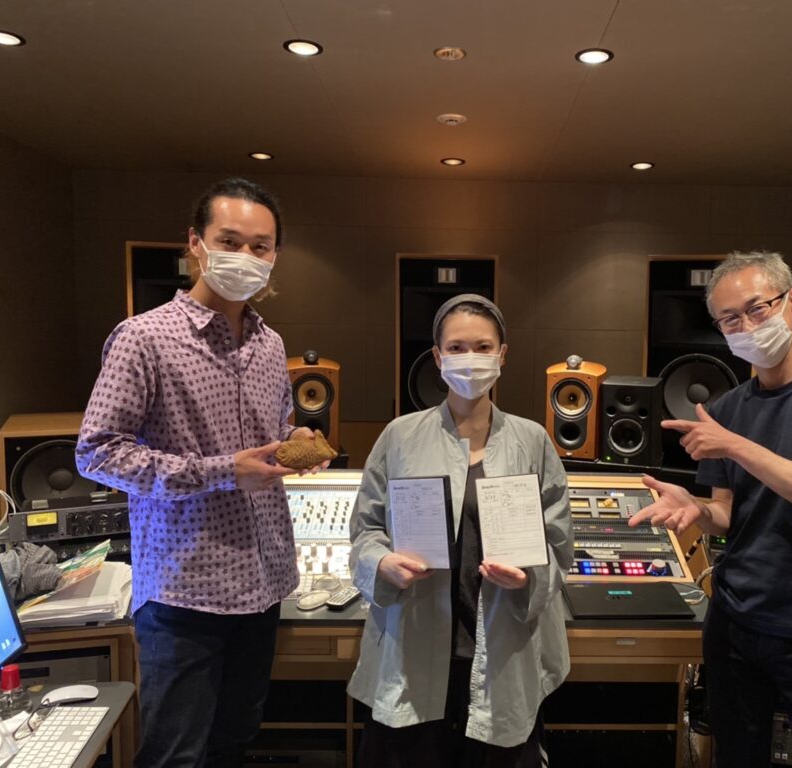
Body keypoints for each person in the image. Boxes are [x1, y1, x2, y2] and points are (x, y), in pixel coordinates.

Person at [76, 177, 326, 768]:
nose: (246, 256)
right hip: (186, 594)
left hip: (263, 583)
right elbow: (97, 452)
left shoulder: (271, 344)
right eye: (230, 241)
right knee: (175, 756)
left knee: (234, 741)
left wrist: (295, 441)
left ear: (275, 256)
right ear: (196, 243)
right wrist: (222, 472)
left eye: (260, 246)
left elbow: (276, 426)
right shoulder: (144, 338)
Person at [629, 251, 792, 767]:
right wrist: (697, 509)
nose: (746, 327)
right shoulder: (727, 409)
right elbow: (728, 514)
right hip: (736, 626)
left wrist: (735, 446)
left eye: (757, 309)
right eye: (729, 320)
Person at [348, 294, 573, 767]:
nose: (470, 358)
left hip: (503, 652)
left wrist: (529, 579)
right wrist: (382, 563)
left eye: (483, 347)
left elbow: (559, 545)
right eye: (456, 347)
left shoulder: (532, 440)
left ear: (502, 354)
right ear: (437, 356)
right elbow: (366, 530)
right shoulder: (400, 436)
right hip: (414, 648)